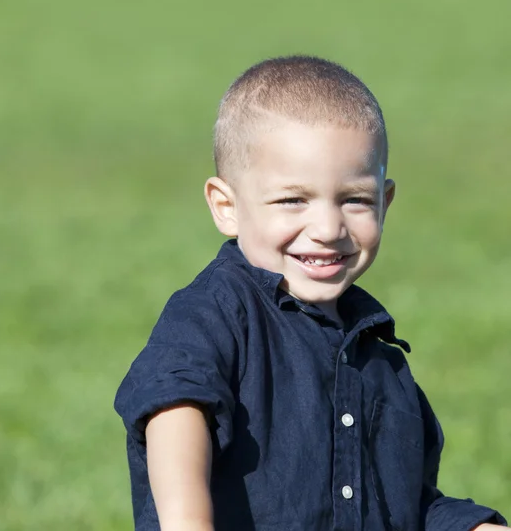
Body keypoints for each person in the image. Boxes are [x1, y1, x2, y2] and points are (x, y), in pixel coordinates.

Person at [114, 56, 508, 531]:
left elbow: (404, 507)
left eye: (354, 199)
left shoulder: (381, 360)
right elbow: (175, 409)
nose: (327, 228)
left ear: (384, 203)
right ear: (226, 206)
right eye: (292, 200)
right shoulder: (216, 312)